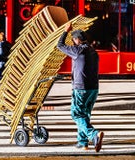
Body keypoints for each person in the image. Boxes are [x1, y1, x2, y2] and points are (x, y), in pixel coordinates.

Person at [57, 22, 104, 152]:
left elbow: (59, 45)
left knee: (76, 114)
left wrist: (65, 31)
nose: (72, 42)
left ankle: (94, 135)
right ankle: (83, 142)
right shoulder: (93, 51)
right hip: (93, 88)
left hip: (81, 88)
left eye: (73, 39)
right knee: (85, 115)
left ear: (77, 40)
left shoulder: (77, 50)